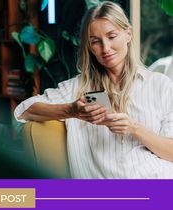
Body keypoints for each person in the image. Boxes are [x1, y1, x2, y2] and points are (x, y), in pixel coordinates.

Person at [14, 1, 173, 179]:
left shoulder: (160, 85)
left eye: (112, 36)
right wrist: (72, 110)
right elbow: (23, 111)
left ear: (128, 34)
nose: (106, 48)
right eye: (96, 42)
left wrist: (135, 128)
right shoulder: (78, 88)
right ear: (90, 48)